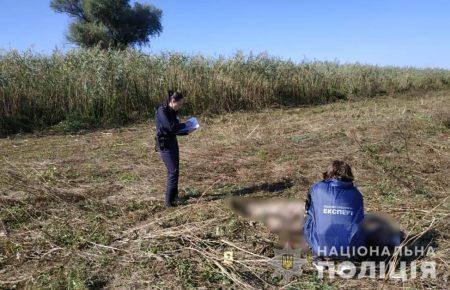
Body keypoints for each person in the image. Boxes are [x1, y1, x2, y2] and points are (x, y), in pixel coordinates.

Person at [304, 160, 366, 259]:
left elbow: (308, 208)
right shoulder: (356, 193)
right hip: (352, 250)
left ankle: (317, 253)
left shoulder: (317, 188)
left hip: (322, 247)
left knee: (308, 217)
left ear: (329, 173)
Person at [155, 90, 192, 207]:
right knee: (173, 171)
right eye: (179, 104)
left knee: (175, 170)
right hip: (165, 145)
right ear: (172, 101)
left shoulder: (173, 111)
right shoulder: (162, 111)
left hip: (172, 142)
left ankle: (175, 197)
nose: (180, 106)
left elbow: (175, 129)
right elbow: (171, 127)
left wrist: (187, 131)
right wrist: (186, 125)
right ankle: (168, 202)